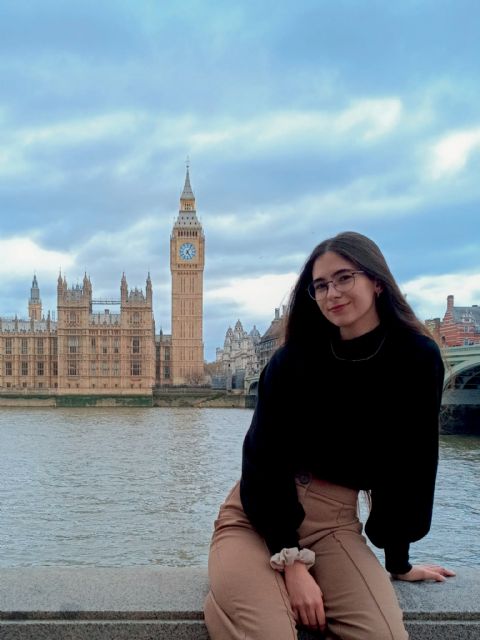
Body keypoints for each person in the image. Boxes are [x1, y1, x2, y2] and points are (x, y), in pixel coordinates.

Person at [204, 231, 455, 640]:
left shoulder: (417, 358)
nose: (331, 293)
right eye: (320, 285)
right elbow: (263, 461)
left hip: (334, 525)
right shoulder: (292, 360)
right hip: (257, 518)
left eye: (344, 278)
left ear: (377, 281)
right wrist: (292, 562)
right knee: (271, 634)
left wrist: (399, 561)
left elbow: (412, 467)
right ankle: (237, 601)